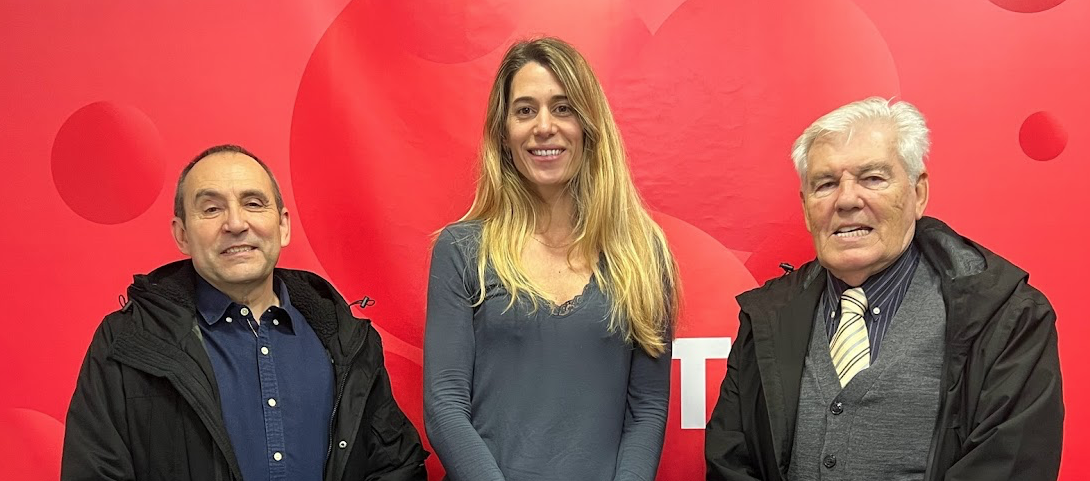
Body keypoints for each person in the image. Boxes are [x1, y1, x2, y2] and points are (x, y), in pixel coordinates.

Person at [705, 97, 1063, 480]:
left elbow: (1009, 466)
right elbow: (731, 458)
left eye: (872, 178)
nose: (845, 200)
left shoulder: (1006, 316)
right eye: (825, 184)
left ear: (918, 192)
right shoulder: (765, 320)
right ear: (806, 206)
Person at [61, 145, 428, 480]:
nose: (236, 223)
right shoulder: (128, 342)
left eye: (253, 203)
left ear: (282, 225)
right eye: (211, 208)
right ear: (182, 234)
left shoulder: (347, 340)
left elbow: (396, 466)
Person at [424, 37, 680, 481]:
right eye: (525, 110)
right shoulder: (461, 249)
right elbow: (445, 405)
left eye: (563, 108)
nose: (544, 126)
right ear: (504, 135)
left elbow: (648, 410)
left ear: (589, 125)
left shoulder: (642, 254)